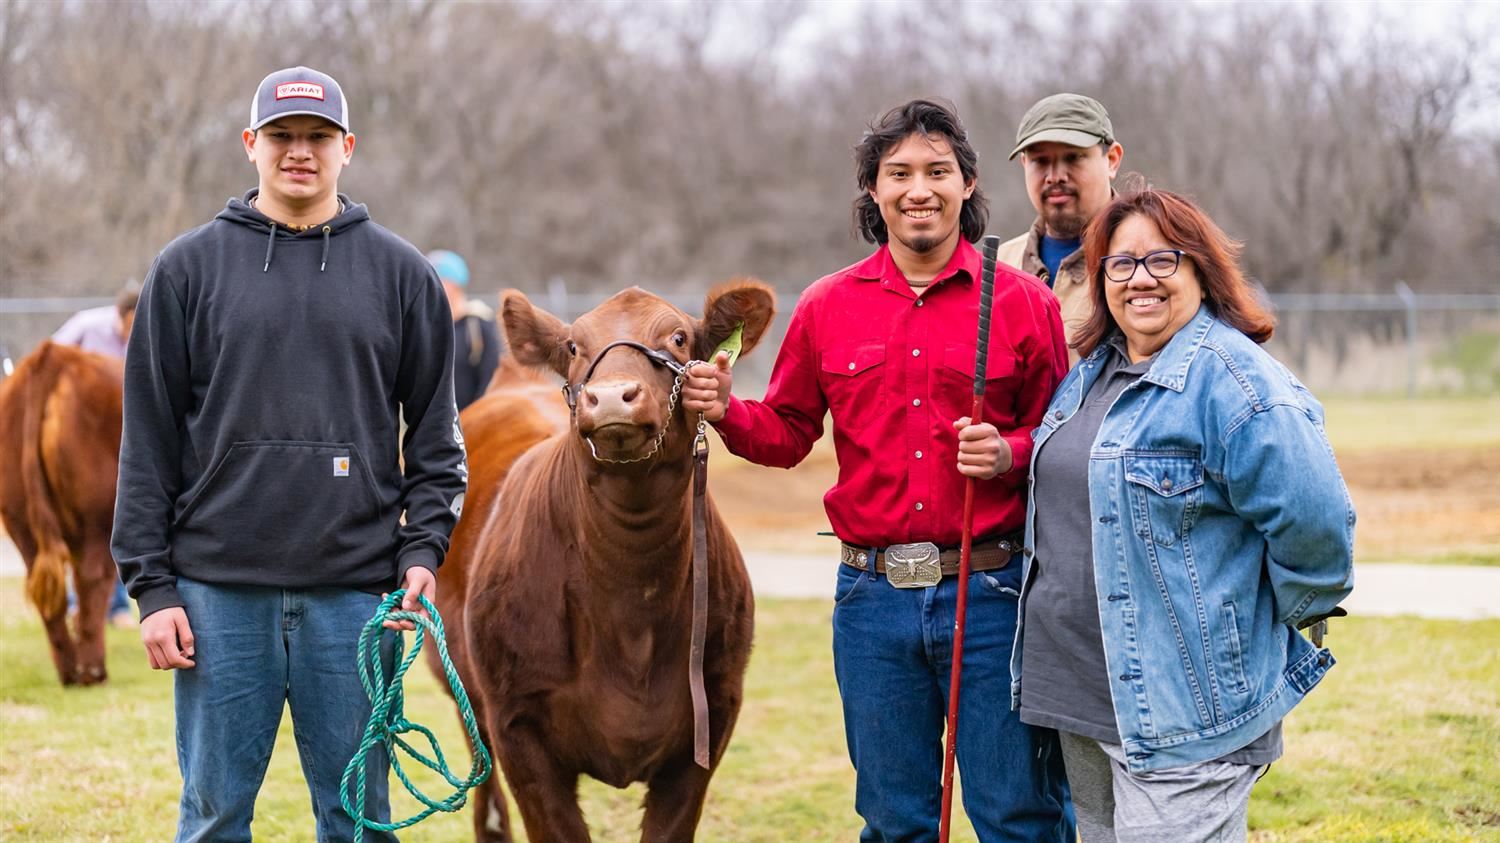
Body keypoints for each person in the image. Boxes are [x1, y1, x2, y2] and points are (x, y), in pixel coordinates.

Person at [683, 99, 1074, 841]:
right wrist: (726, 409)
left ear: (967, 183)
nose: (918, 189)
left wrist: (1008, 453)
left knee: (1019, 815)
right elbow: (789, 433)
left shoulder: (1024, 305)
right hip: (871, 600)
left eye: (936, 171)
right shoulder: (828, 306)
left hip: (991, 594)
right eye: (898, 173)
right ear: (872, 190)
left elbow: (1061, 436)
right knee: (895, 821)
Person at [111, 66, 467, 842]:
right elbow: (147, 444)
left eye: (315, 137)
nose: (297, 152)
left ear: (347, 147)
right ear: (251, 144)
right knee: (213, 818)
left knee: (360, 820)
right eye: (280, 136)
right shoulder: (185, 271)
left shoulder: (403, 276)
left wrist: (423, 549)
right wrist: (153, 588)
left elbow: (438, 443)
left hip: (355, 598)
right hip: (214, 596)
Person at [1014, 188, 1354, 842]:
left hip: (1184, 710)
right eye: (1120, 263)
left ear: (1200, 268)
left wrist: (1237, 627)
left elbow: (1317, 528)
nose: (1140, 278)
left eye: (1161, 260)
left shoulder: (1238, 384)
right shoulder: (1090, 373)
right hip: (1084, 697)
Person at [997, 93, 1124, 349]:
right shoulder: (998, 265)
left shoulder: (1147, 260)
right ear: (1024, 164)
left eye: (1073, 157)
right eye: (1040, 161)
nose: (1055, 176)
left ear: (1111, 160)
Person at [54, 281, 140, 626]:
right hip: (83, 445)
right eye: (131, 322)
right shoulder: (87, 326)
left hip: (122, 441)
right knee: (84, 522)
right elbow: (50, 358)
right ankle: (81, 600)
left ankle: (117, 603)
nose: (134, 330)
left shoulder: (149, 334)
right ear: (121, 315)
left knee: (116, 517)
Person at [426, 249, 502, 410]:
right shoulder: (429, 326)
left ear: (454, 284)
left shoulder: (478, 324)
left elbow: (491, 378)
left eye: (438, 280)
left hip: (473, 425)